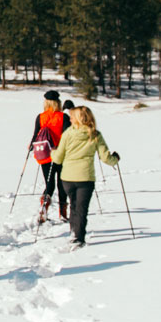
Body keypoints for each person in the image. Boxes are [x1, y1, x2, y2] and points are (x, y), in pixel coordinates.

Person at [52, 106, 119, 249]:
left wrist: (52, 152)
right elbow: (105, 158)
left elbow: (58, 159)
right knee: (82, 208)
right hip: (85, 178)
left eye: (71, 117)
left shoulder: (68, 134)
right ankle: (79, 237)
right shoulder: (95, 135)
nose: (69, 119)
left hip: (68, 177)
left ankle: (73, 231)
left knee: (74, 205)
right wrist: (115, 159)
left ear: (78, 119)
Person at [29, 90, 72, 223]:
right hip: (60, 154)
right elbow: (67, 136)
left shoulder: (40, 117)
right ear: (58, 103)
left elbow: (36, 135)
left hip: (45, 154)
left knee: (49, 183)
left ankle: (44, 206)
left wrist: (31, 146)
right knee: (62, 183)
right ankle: (63, 213)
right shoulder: (63, 117)